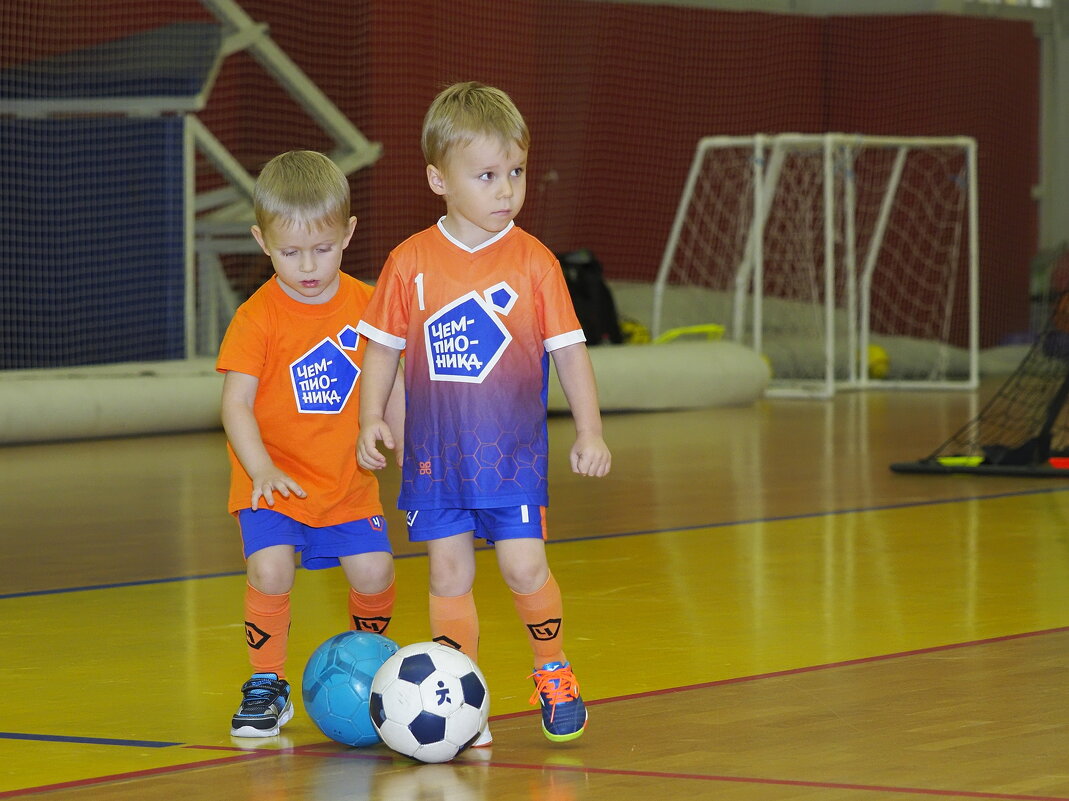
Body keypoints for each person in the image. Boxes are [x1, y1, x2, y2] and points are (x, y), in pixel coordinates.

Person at [356, 82, 611, 746]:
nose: (506, 190)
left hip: (511, 458)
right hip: (435, 459)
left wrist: (589, 429)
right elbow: (379, 349)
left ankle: (552, 668)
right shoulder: (408, 262)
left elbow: (570, 352)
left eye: (516, 172)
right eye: (488, 175)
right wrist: (370, 418)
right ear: (439, 179)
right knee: (447, 572)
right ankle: (457, 688)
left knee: (524, 566)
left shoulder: (534, 262)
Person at [217, 150, 403, 738]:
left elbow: (387, 377)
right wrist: (261, 469)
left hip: (345, 483)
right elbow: (236, 404)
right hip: (273, 482)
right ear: (262, 241)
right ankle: (267, 683)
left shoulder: (368, 304)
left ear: (348, 233)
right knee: (270, 569)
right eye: (290, 252)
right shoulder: (256, 318)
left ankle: (372, 668)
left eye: (322, 249)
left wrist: (403, 437)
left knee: (374, 571)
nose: (308, 267)